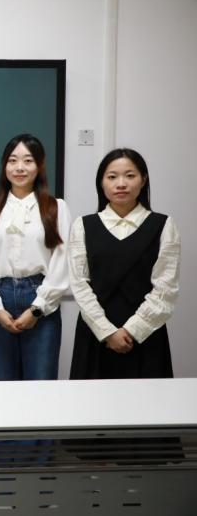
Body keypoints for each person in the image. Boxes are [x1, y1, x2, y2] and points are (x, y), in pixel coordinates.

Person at [69, 148, 179, 380]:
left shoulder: (163, 225)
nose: (121, 184)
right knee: (92, 401)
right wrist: (107, 332)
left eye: (130, 176)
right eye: (112, 177)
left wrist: (132, 330)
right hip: (96, 334)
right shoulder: (83, 225)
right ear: (101, 182)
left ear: (143, 180)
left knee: (149, 401)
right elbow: (79, 284)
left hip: (146, 334)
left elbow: (166, 289)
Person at [0, 133, 71, 382]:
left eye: (28, 161)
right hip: (0, 298)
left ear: (39, 166)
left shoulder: (56, 208)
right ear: (4, 166)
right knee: (3, 383)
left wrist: (37, 309)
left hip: (41, 299)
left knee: (40, 383)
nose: (19, 167)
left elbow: (61, 263)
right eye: (12, 160)